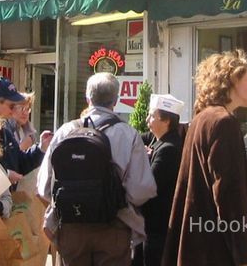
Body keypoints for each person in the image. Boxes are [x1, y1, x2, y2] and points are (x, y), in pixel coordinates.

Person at [38, 72, 157, 266]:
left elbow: (44, 188)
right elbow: (140, 191)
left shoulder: (65, 132)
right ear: (115, 100)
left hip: (71, 228)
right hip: (114, 226)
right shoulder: (128, 135)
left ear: (87, 98)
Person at [162, 49, 247, 266]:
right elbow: (228, 193)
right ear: (232, 80)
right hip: (215, 250)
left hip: (195, 245)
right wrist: (243, 257)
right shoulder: (224, 122)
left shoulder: (201, 119)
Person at [136, 94, 184, 266]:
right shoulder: (156, 141)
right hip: (148, 226)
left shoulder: (169, 149)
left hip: (158, 228)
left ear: (166, 121)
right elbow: (135, 138)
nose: (147, 119)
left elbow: (149, 185)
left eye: (152, 116)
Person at [0, 77, 51, 186]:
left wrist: (40, 149)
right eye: (11, 105)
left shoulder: (4, 131)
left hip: (4, 200)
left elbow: (20, 162)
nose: (13, 110)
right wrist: (5, 175)